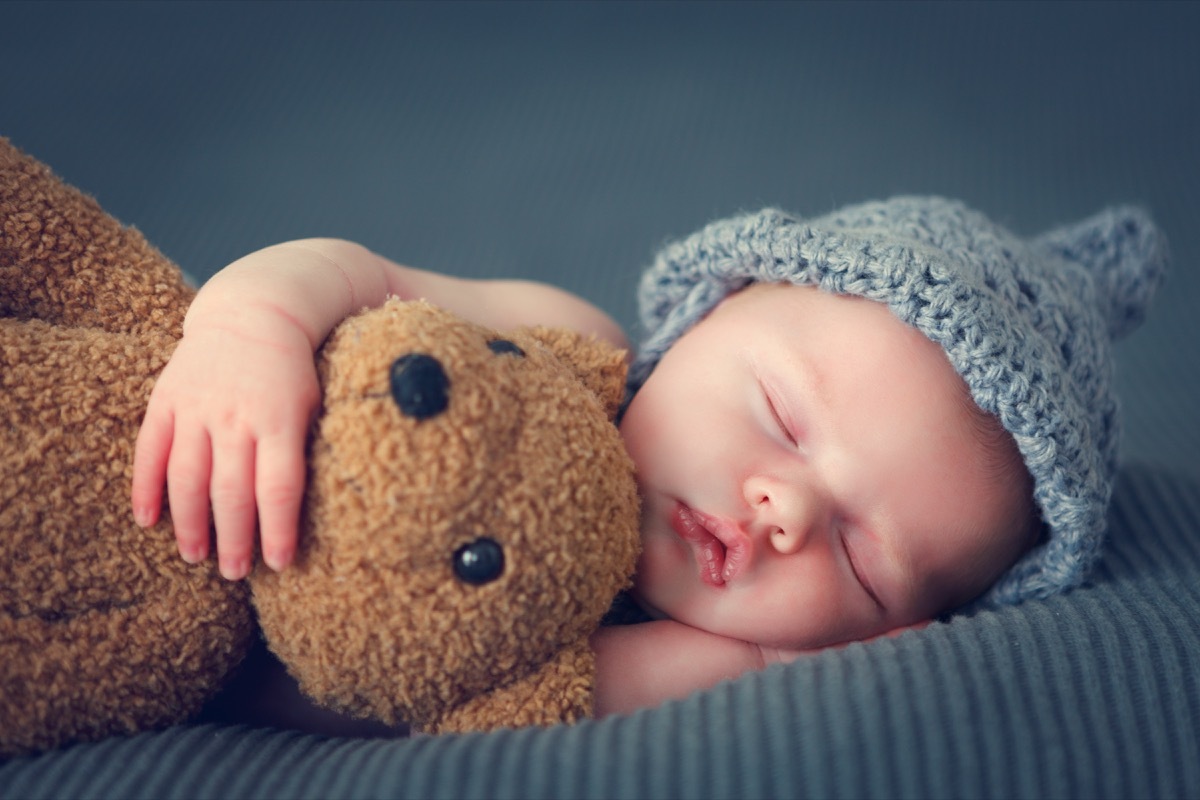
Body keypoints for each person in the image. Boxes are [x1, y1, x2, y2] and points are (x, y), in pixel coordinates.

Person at [131, 196, 1166, 723]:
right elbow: (357, 271)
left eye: (861, 558)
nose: (787, 509)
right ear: (710, 311)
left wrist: (759, 663)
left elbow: (488, 696)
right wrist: (249, 328)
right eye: (784, 415)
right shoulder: (562, 347)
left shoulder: (704, 662)